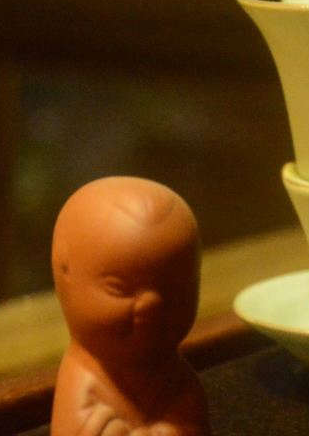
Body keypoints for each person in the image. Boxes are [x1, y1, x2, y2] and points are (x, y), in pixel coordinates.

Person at [50, 177, 209, 436]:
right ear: (65, 275)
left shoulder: (177, 378)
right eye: (120, 289)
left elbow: (193, 422)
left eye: (175, 291)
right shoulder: (86, 379)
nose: (152, 305)